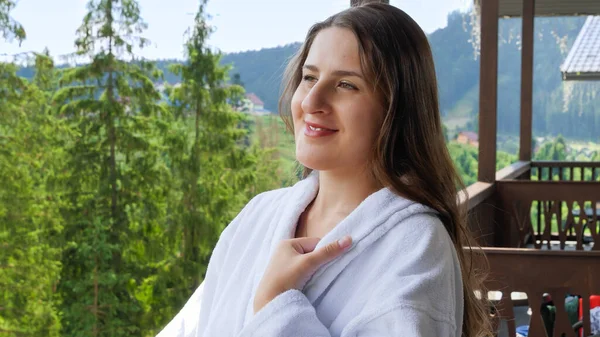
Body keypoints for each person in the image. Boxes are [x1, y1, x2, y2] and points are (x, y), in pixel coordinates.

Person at [157, 3, 492, 337]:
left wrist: (277, 304)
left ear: (396, 109)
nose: (310, 101)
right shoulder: (258, 215)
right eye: (309, 77)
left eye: (346, 84)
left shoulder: (417, 248)